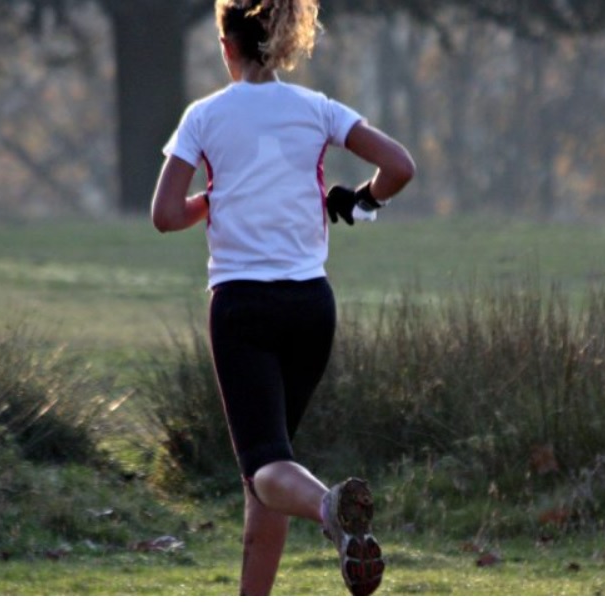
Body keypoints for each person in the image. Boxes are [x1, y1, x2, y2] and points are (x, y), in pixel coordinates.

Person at [150, 0, 415, 595]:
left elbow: (165, 215)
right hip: (311, 309)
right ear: (280, 41)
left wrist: (212, 201)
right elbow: (400, 166)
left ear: (227, 47)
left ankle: (331, 511)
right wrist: (361, 200)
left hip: (242, 308)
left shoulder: (204, 116)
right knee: (268, 471)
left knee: (265, 467)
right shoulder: (317, 109)